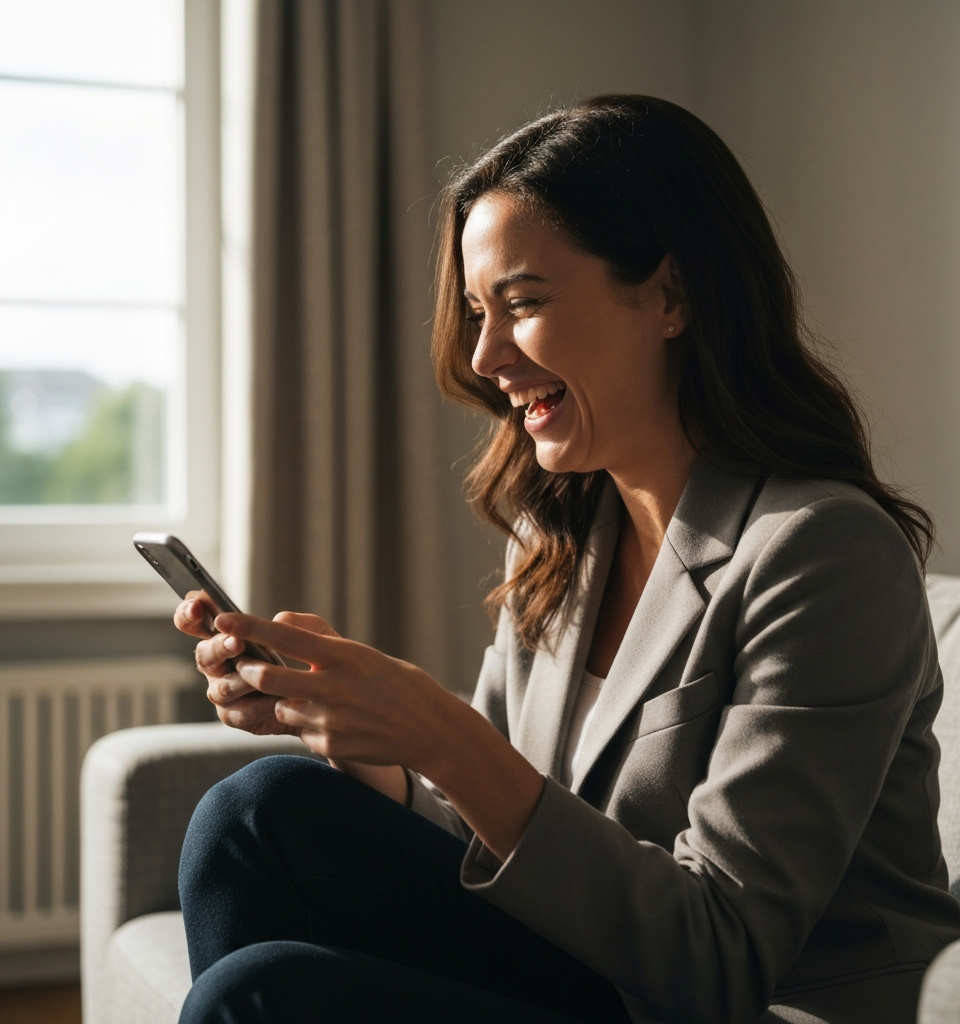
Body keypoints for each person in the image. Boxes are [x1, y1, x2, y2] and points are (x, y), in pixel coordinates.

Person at [172, 95, 960, 1024]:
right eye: (476, 312)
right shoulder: (565, 540)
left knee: (254, 995)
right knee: (257, 813)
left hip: (744, 1004)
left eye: (523, 303)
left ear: (671, 295)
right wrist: (365, 738)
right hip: (597, 973)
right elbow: (493, 839)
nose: (485, 355)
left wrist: (442, 733)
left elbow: (722, 957)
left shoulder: (823, 551)